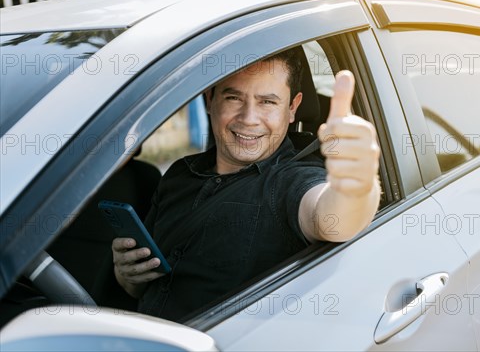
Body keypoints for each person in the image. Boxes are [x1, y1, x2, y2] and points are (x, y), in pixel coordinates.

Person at [111, 49, 381, 321]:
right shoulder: (178, 174)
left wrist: (356, 187)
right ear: (209, 100)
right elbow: (143, 287)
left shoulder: (291, 181)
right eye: (233, 97)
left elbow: (330, 218)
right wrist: (129, 279)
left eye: (267, 102)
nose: (249, 117)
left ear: (292, 109)